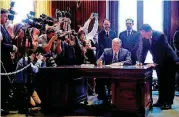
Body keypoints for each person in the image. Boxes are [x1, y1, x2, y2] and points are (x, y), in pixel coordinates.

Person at [137, 24, 179, 110]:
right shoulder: (144, 38)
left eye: (144, 34)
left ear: (149, 31)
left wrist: (155, 63)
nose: (143, 36)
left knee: (169, 82)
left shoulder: (160, 36)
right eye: (142, 34)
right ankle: (161, 101)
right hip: (158, 62)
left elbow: (162, 52)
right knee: (161, 81)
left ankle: (168, 102)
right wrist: (140, 63)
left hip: (169, 61)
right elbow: (143, 51)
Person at [96, 38, 132, 104]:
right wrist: (99, 62)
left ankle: (121, 97)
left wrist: (120, 63)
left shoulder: (125, 51)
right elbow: (99, 60)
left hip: (120, 74)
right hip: (108, 73)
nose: (114, 47)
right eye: (113, 45)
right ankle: (102, 97)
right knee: (99, 78)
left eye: (116, 45)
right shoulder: (106, 51)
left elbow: (129, 61)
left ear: (120, 45)